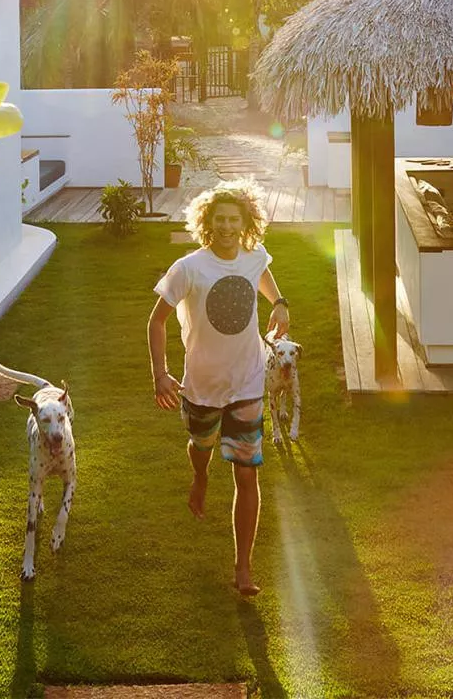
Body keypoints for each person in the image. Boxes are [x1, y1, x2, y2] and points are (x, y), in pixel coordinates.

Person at [147, 181, 290, 597]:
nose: (227, 227)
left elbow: (262, 272)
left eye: (235, 219)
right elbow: (156, 321)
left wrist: (279, 302)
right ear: (207, 223)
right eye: (220, 219)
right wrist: (160, 373)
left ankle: (243, 568)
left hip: (246, 382)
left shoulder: (254, 256)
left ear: (246, 222)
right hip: (202, 386)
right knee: (201, 445)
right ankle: (200, 476)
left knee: (247, 472)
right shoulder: (188, 267)